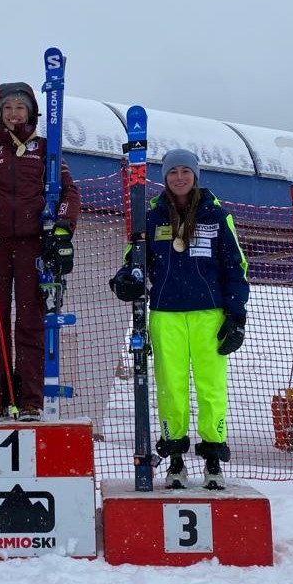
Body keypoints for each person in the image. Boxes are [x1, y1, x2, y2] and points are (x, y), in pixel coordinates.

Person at [110, 149, 249, 489]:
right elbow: (135, 260)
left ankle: (213, 459)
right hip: (166, 314)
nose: (179, 178)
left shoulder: (216, 216)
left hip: (209, 314)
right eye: (173, 172)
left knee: (210, 387)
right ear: (165, 177)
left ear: (196, 176)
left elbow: (237, 267)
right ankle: (175, 460)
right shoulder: (153, 217)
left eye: (186, 171)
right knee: (170, 387)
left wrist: (236, 316)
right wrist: (125, 279)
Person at [0, 82, 80, 423]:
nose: (14, 113)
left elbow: (69, 192)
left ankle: (30, 400)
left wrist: (61, 229)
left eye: (20, 107)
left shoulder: (46, 149)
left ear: (30, 113)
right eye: (8, 107)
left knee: (30, 321)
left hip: (32, 244)